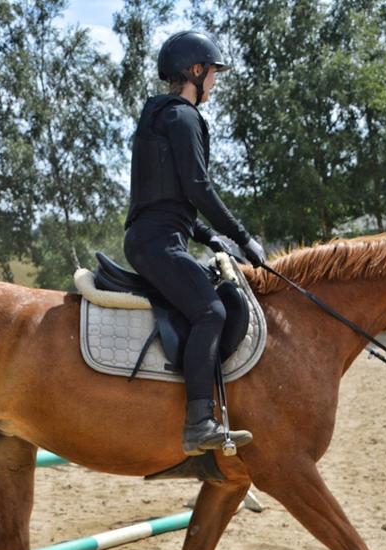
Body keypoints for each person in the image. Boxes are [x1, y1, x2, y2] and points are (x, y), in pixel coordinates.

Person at [123, 30, 265, 456]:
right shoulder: (182, 117)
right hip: (159, 243)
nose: (216, 83)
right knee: (211, 311)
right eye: (213, 73)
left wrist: (211, 238)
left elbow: (173, 199)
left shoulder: (159, 117)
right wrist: (242, 237)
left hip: (157, 236)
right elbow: (200, 189)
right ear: (196, 71)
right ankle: (198, 421)